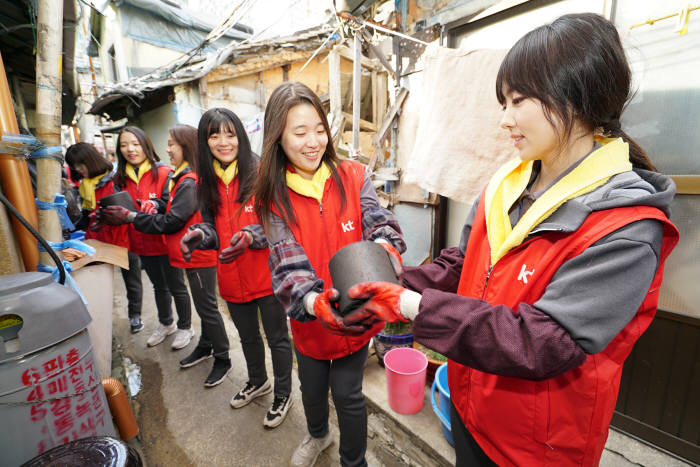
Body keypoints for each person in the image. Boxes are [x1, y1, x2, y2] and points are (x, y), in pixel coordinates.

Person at [343, 13, 680, 467]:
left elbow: (542, 341)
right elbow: (467, 262)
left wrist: (409, 306)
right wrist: (390, 282)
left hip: (535, 446)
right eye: (504, 103)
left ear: (575, 98)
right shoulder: (507, 183)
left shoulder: (626, 227)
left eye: (518, 100)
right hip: (469, 402)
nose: (505, 120)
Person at [253, 82, 406, 467]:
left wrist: (385, 251)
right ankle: (318, 435)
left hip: (356, 319)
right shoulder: (272, 196)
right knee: (312, 388)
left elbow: (380, 221)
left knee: (349, 395)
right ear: (278, 137)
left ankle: (352, 461)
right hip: (310, 322)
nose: (313, 141)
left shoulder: (353, 175)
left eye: (319, 129)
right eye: (299, 132)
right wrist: (313, 301)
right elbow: (286, 261)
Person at [179, 108, 294, 428]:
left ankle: (283, 392)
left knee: (278, 339)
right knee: (247, 337)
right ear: (205, 141)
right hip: (230, 276)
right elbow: (211, 229)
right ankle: (258, 381)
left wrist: (249, 236)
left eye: (230, 133)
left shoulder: (261, 172)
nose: (223, 141)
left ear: (240, 136)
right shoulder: (205, 181)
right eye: (214, 135)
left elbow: (279, 225)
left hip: (266, 274)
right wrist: (199, 235)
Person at [102, 125, 228, 386]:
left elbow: (172, 221)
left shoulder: (189, 180)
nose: (168, 149)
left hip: (199, 256)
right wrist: (156, 204)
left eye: (173, 144)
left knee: (208, 309)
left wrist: (132, 216)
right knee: (203, 308)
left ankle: (223, 359)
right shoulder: (180, 178)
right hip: (188, 255)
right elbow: (169, 207)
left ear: (187, 147)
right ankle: (206, 346)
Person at [103, 126, 194, 349]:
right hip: (140, 241)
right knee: (158, 286)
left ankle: (185, 327)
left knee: (177, 286)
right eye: (124, 145)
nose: (130, 150)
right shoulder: (119, 178)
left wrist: (154, 204)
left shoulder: (164, 172)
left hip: (165, 240)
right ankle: (166, 323)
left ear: (146, 145)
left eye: (135, 144)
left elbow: (170, 207)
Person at [65, 142, 129, 248]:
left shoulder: (113, 182)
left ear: (91, 161)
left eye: (80, 164)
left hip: (116, 244)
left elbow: (124, 218)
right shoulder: (85, 185)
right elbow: (87, 216)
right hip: (95, 241)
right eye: (74, 166)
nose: (77, 169)